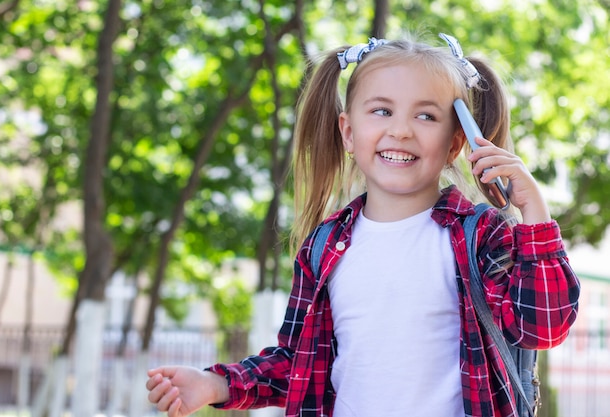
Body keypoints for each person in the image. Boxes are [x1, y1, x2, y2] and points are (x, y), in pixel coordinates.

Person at [146, 32, 580, 417]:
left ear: (455, 143)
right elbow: (299, 361)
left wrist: (534, 215)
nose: (402, 131)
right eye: (381, 111)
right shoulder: (324, 246)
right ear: (348, 133)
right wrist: (217, 384)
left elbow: (541, 327)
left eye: (425, 116)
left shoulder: (479, 235)